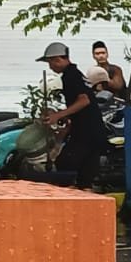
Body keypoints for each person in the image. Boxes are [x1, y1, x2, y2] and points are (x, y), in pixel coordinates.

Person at [34, 41, 105, 190]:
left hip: (86, 133)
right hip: (92, 130)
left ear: (58, 60)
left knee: (65, 164)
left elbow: (84, 100)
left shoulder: (70, 76)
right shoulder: (75, 74)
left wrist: (58, 115)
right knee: (85, 176)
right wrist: (66, 118)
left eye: (50, 63)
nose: (50, 67)